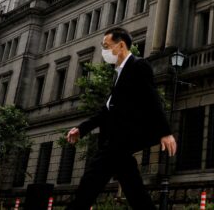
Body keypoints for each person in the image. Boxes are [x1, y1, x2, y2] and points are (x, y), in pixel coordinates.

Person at [65, 27, 177, 209]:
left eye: (106, 46)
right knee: (134, 190)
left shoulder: (138, 66)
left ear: (121, 45)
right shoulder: (118, 74)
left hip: (119, 141)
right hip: (117, 143)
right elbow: (107, 110)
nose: (104, 51)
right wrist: (82, 128)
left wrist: (165, 132)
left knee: (89, 183)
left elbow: (152, 98)